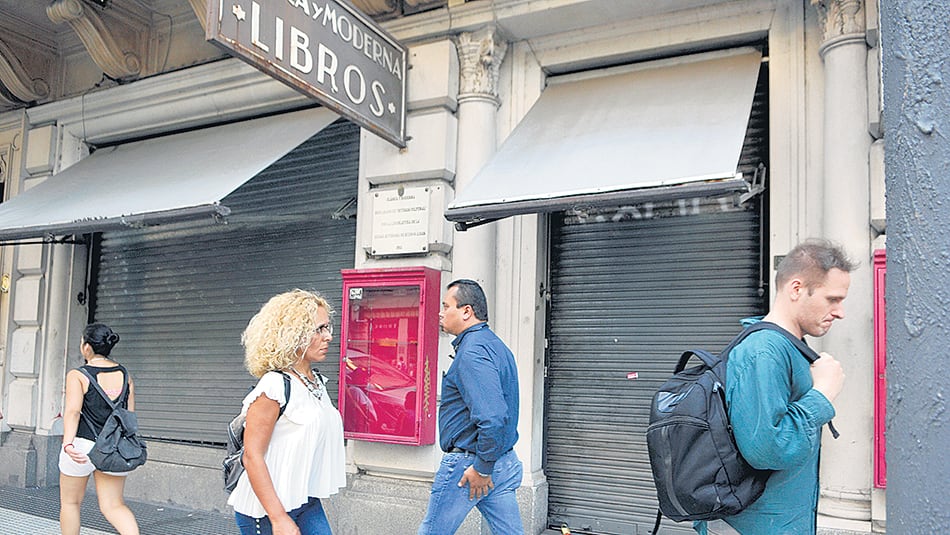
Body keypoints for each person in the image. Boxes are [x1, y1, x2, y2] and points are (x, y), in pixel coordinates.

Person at [699, 240, 855, 535]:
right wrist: (822, 394)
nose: (840, 312)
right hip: (756, 525)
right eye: (832, 299)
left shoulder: (787, 346)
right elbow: (766, 450)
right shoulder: (765, 351)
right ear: (797, 289)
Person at [228, 289, 346, 535]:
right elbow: (252, 456)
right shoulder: (274, 385)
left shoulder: (316, 383)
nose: (328, 337)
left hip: (305, 500)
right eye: (319, 329)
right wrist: (279, 518)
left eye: (327, 327)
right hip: (266, 510)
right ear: (293, 334)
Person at [418, 279, 524, 535]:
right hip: (500, 459)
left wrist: (482, 468)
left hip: (471, 465)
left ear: (466, 311)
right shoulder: (495, 345)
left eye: (446, 306)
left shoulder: (472, 352)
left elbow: (493, 417)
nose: (441, 313)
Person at [60, 323, 140, 535]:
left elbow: (73, 412)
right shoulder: (125, 375)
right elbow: (129, 416)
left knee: (70, 503)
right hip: (113, 448)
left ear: (86, 347)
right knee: (114, 506)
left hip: (81, 445)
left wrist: (67, 444)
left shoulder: (78, 375)